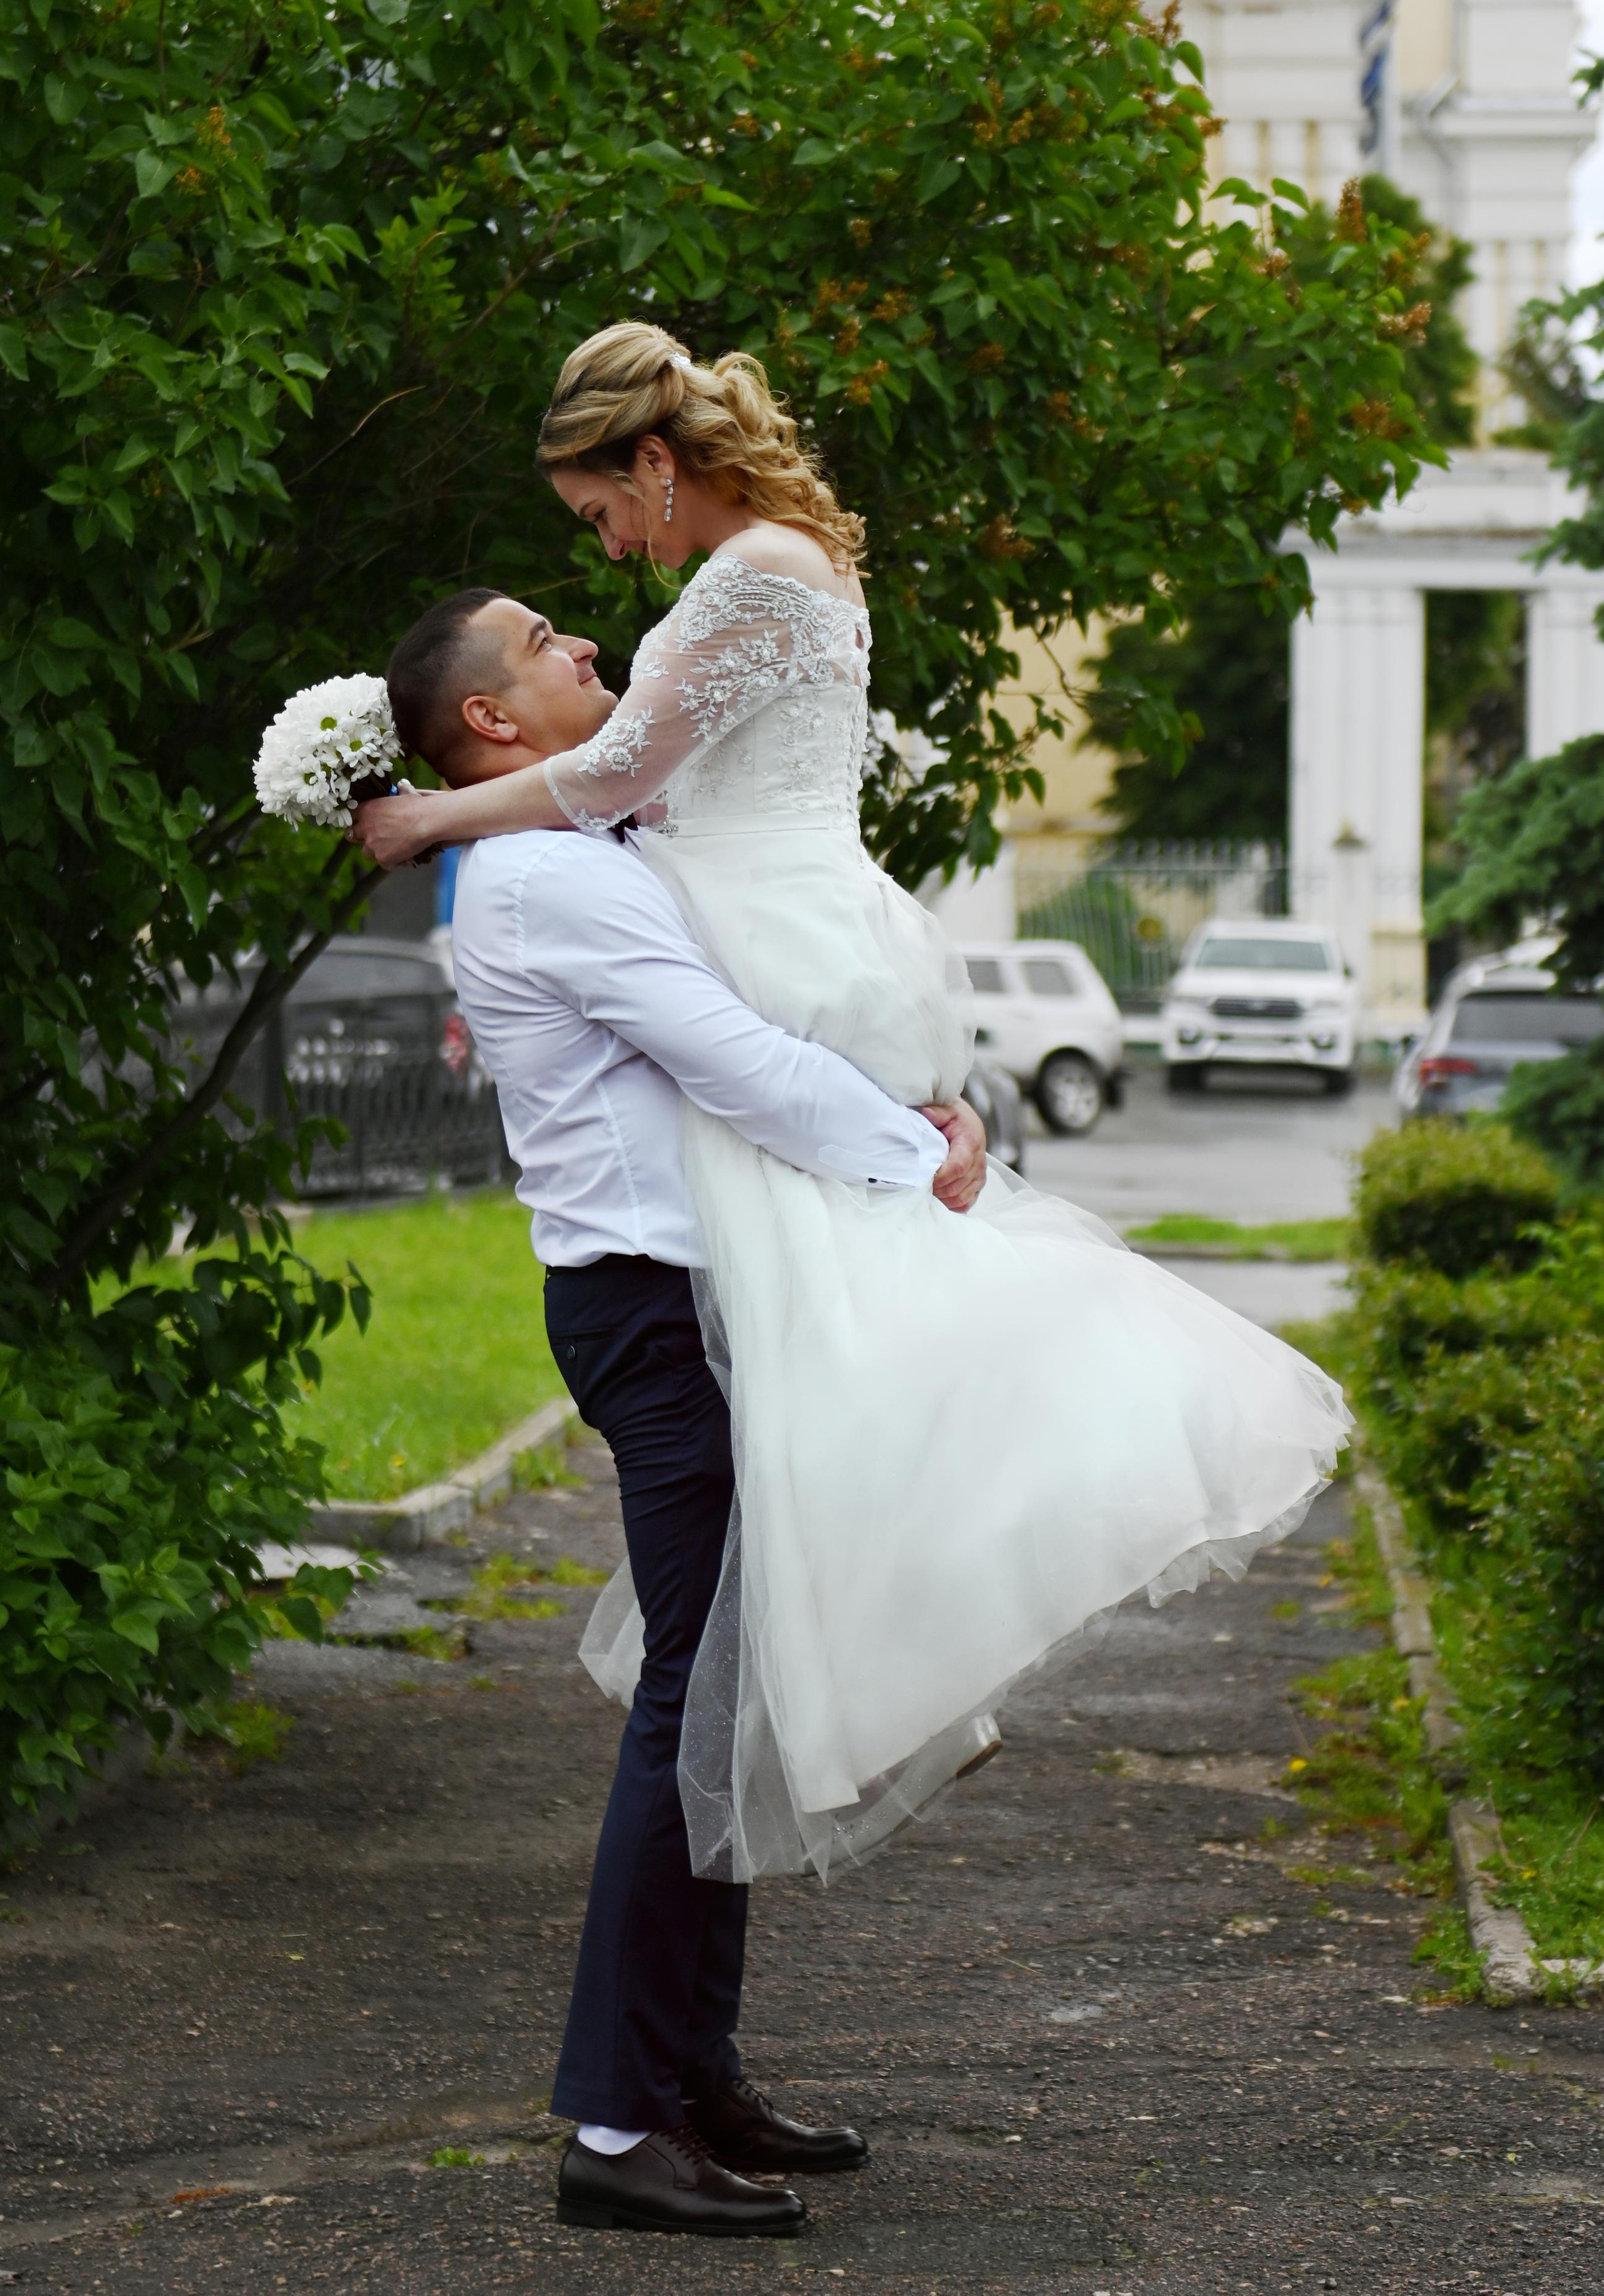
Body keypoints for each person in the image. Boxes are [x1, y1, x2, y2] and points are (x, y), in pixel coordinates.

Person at [356, 321, 1351, 1896]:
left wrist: (427, 818)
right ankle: (897, 1675)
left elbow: (612, 773)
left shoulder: (742, 580)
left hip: (775, 935)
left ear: (655, 464)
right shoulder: (778, 561)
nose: (603, 550)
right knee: (845, 1348)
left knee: (852, 1338)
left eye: (596, 512)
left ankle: (898, 1672)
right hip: (807, 926)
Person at [381, 582, 989, 2237]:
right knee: (691, 1702)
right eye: (543, 650)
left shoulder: (595, 841)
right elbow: (726, 1054)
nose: (586, 644)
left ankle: (689, 2069)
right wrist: (908, 1157)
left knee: (728, 1691)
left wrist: (917, 1090)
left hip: (702, 1298)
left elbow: (781, 991)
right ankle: (612, 2128)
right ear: (491, 724)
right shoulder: (537, 880)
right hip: (654, 1315)